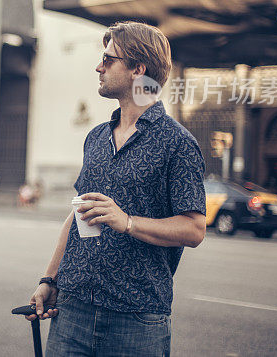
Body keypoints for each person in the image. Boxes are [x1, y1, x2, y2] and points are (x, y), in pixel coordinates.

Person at [27, 21, 206, 357]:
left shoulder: (178, 143)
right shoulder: (95, 137)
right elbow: (79, 212)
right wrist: (49, 280)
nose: (99, 66)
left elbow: (194, 229)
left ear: (138, 69)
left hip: (137, 321)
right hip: (72, 312)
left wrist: (127, 221)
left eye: (109, 60)